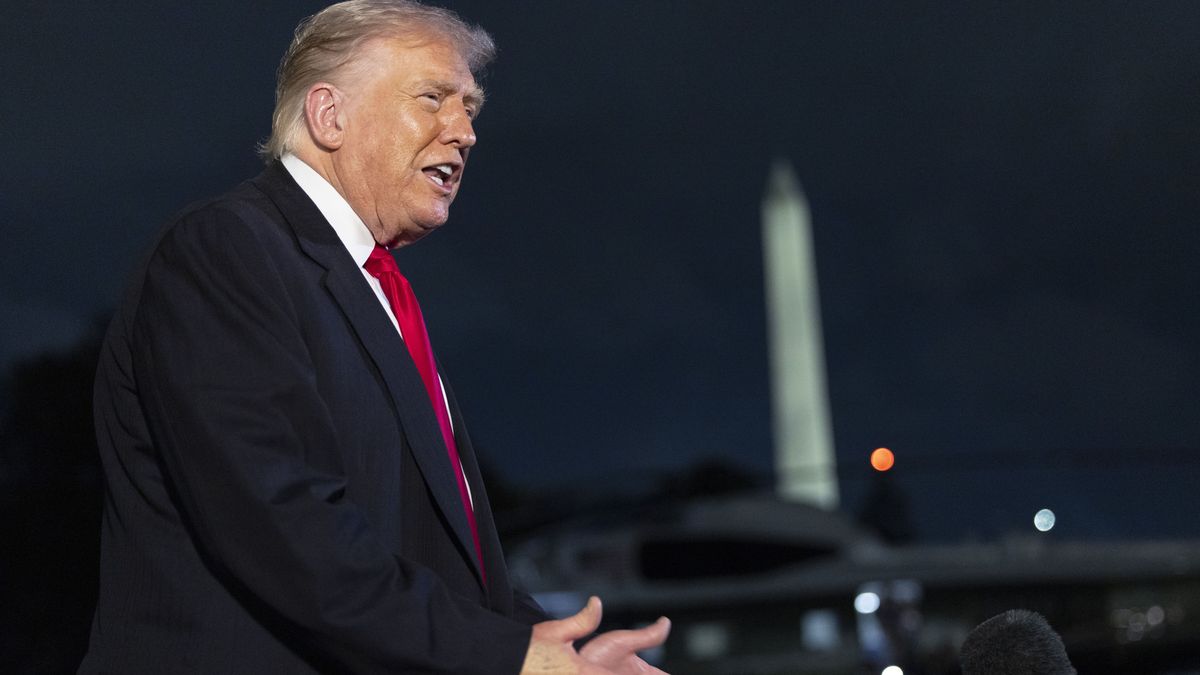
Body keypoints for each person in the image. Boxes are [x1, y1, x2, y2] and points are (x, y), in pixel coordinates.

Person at [78, 1, 669, 673]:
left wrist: (566, 652)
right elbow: (283, 526)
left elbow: (433, 559)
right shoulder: (225, 250)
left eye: (471, 107)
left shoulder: (376, 290)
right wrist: (512, 656)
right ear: (330, 116)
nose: (466, 132)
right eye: (433, 98)